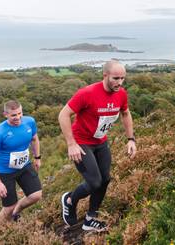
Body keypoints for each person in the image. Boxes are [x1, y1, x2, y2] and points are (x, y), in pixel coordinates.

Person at [58, 60, 136, 232]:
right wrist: (71, 144)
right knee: (94, 182)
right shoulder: (87, 93)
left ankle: (90, 219)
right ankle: (70, 200)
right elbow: (63, 115)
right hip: (81, 142)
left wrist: (131, 139)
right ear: (105, 76)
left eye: (123, 78)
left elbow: (126, 113)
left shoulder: (121, 94)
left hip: (100, 142)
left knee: (105, 179)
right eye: (116, 78)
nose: (120, 82)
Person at [0, 100, 42, 222]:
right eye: (13, 115)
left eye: (19, 113)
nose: (18, 117)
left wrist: (37, 157)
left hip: (24, 165)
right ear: (5, 114)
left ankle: (16, 211)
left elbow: (34, 139)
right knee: (8, 207)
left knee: (35, 195)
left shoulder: (30, 121)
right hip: (5, 172)